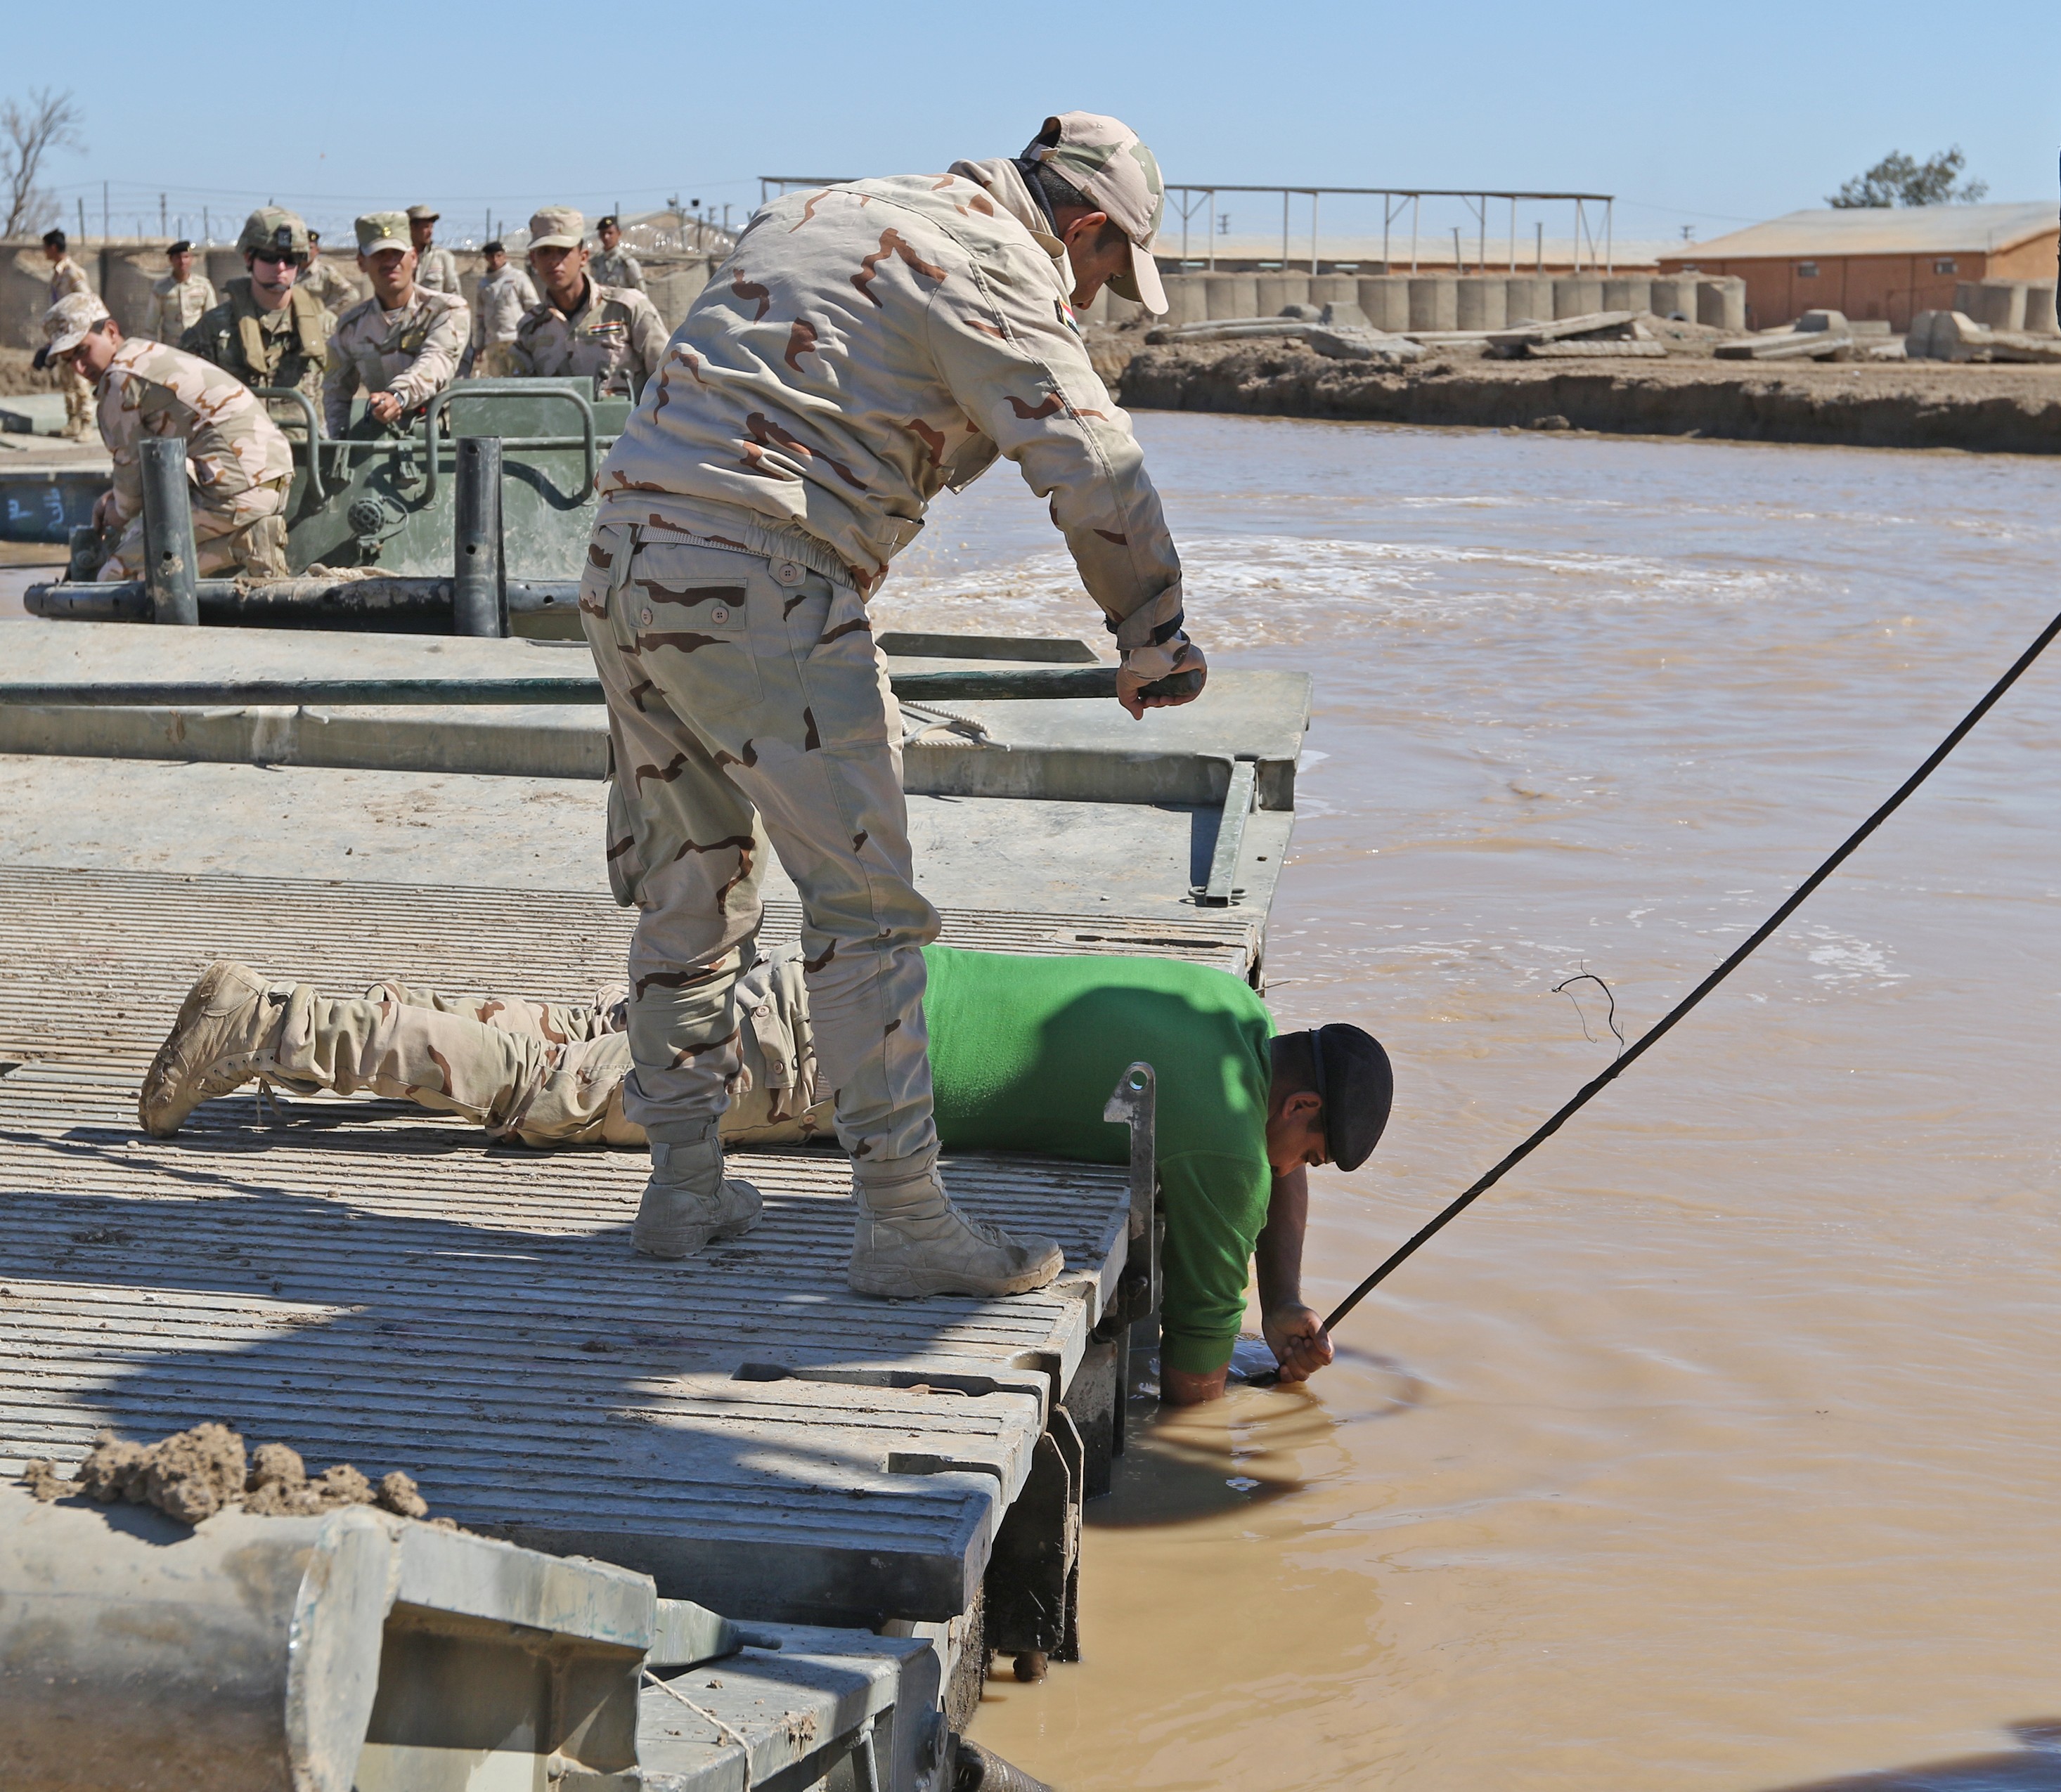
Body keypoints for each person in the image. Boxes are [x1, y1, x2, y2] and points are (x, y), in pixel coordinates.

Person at [577, 112, 1196, 1306]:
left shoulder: (821, 207)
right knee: (867, 909)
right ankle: (906, 1222)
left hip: (623, 557)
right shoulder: (995, 260)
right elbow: (1092, 464)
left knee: (689, 876)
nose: (1104, 294)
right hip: (758, 572)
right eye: (1112, 271)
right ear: (1080, 230)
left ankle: (684, 1190)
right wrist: (1152, 632)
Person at [138, 947, 1393, 1401]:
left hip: (831, 990)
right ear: (1293, 1109)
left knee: (581, 1054)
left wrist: (1283, 1304)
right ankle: (274, 1025)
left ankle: (353, 1020)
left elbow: (1273, 1178)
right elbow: (1190, 1388)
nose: (1298, 1176)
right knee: (551, 1096)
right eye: (1312, 1154)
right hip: (817, 1062)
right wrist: (1257, 1361)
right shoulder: (1234, 1134)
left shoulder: (1229, 1009)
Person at [37, 294, 292, 580]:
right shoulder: (147, 355)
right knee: (147, 540)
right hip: (270, 478)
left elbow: (129, 486)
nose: (80, 369)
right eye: (69, 361)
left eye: (83, 351)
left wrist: (116, 511)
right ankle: (245, 543)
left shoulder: (120, 380)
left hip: (235, 492)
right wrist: (117, 500)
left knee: (114, 575)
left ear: (111, 331)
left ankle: (245, 545)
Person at [323, 212, 471, 438]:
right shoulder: (350, 327)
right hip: (380, 441)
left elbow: (437, 359)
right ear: (361, 262)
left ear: (413, 258)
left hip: (444, 439)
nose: (390, 261)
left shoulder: (447, 310)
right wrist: (340, 444)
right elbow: (336, 393)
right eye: (380, 254)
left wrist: (398, 396)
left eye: (397, 253)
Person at [182, 209, 331, 423]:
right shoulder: (214, 327)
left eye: (290, 259)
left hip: (306, 450)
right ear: (249, 257)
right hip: (239, 447)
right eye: (269, 257)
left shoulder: (326, 327)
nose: (281, 267)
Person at [510, 206, 668, 397]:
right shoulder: (530, 329)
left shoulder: (628, 308)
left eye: (563, 251)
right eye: (544, 252)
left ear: (583, 257)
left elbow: (669, 377)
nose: (554, 260)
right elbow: (524, 401)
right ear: (533, 260)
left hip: (627, 426)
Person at [40, 229, 95, 440]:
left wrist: (80, 331)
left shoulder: (73, 272)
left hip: (75, 334)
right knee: (66, 379)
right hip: (61, 335)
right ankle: (72, 421)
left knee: (80, 379)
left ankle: (86, 424)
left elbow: (85, 300)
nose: (44, 252)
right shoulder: (57, 274)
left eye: (46, 247)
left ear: (53, 247)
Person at [464, 240, 536, 377]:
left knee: (519, 379)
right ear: (486, 259)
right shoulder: (484, 285)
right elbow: (480, 317)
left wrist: (532, 337)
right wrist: (479, 347)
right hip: (494, 342)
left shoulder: (517, 278)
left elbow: (532, 307)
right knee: (498, 383)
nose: (495, 260)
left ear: (505, 256)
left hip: (516, 339)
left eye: (498, 256)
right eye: (491, 257)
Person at [143, 242, 215, 345]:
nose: (182, 262)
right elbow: (151, 324)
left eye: (186, 257)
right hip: (172, 347)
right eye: (178, 258)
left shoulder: (203, 286)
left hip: (197, 346)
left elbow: (211, 318)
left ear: (191, 259)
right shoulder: (161, 288)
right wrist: (150, 349)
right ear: (171, 260)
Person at [302, 230, 363, 320]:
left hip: (316, 323)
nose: (307, 252)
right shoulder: (289, 272)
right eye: (304, 248)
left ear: (317, 250)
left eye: (310, 248)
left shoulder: (325, 272)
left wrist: (327, 312)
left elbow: (352, 294)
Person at [406, 204, 460, 298]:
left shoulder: (442, 257)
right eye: (426, 227)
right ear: (412, 228)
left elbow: (454, 294)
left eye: (432, 227)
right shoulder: (400, 258)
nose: (431, 232)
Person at [590, 215, 645, 292]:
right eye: (603, 234)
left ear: (619, 234)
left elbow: (641, 293)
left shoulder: (627, 263)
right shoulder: (595, 263)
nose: (606, 237)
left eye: (610, 233)